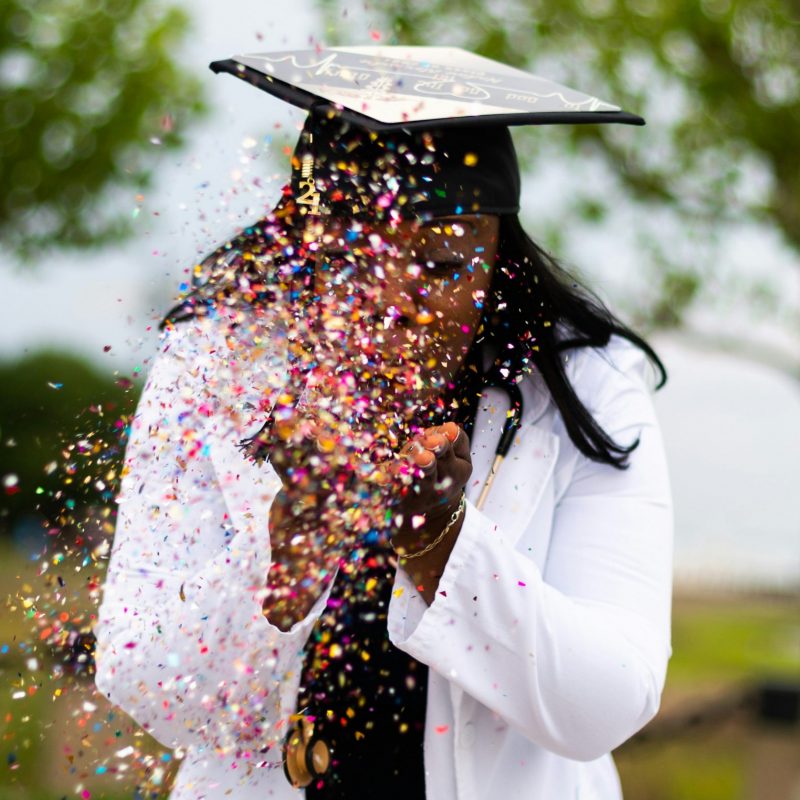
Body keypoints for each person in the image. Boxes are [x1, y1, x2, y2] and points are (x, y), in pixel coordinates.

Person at [95, 46, 673, 800]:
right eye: (354, 260)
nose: (395, 305)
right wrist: (284, 563)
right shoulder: (217, 365)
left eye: (443, 266)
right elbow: (142, 682)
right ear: (305, 249)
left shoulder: (584, 383)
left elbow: (609, 703)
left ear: (498, 262)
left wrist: (440, 544)